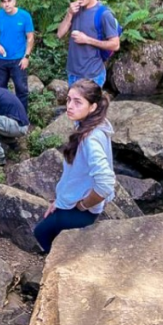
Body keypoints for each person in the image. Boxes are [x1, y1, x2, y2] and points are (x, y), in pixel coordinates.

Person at [33, 79, 115, 253]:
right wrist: (60, 200)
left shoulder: (90, 139)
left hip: (82, 210)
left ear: (92, 107)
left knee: (41, 233)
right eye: (69, 100)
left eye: (77, 102)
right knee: (48, 234)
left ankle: (56, 264)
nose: (70, 106)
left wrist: (84, 205)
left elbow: (106, 183)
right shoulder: (95, 124)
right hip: (72, 202)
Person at [57, 0, 120, 87]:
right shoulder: (75, 10)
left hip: (92, 75)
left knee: (91, 105)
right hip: (72, 73)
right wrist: (69, 14)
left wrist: (87, 40)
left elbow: (115, 45)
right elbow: (59, 34)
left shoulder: (104, 14)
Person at [0, 0, 34, 112]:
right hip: (1, 59)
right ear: (1, 4)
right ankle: (2, 116)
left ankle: (22, 118)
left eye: (9, 1)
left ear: (14, 1)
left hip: (18, 60)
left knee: (21, 90)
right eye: (4, 2)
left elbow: (30, 37)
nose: (6, 4)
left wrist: (26, 57)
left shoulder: (24, 16)